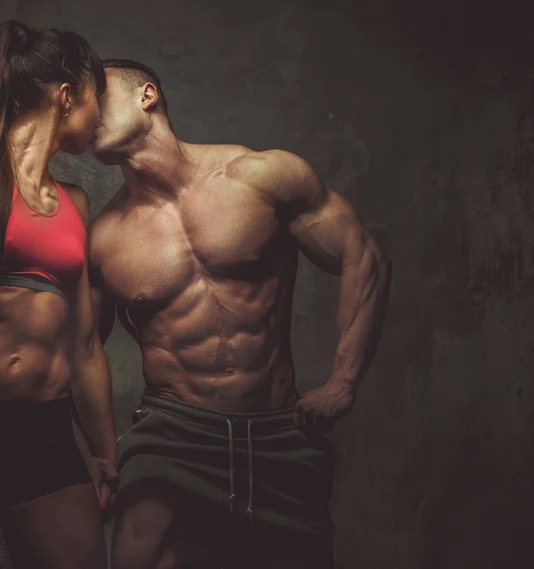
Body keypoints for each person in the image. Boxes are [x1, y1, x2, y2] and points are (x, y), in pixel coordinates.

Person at [89, 58, 392, 569]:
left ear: (147, 95)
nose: (84, 111)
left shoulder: (261, 177)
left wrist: (344, 381)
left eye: (97, 96)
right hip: (172, 430)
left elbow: (365, 257)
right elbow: (78, 353)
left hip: (279, 431)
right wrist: (93, 450)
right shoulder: (105, 238)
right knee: (139, 549)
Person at [0, 20, 116, 569]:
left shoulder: (75, 203)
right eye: (99, 98)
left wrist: (100, 447)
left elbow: (86, 343)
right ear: (67, 96)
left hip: (45, 430)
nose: (103, 118)